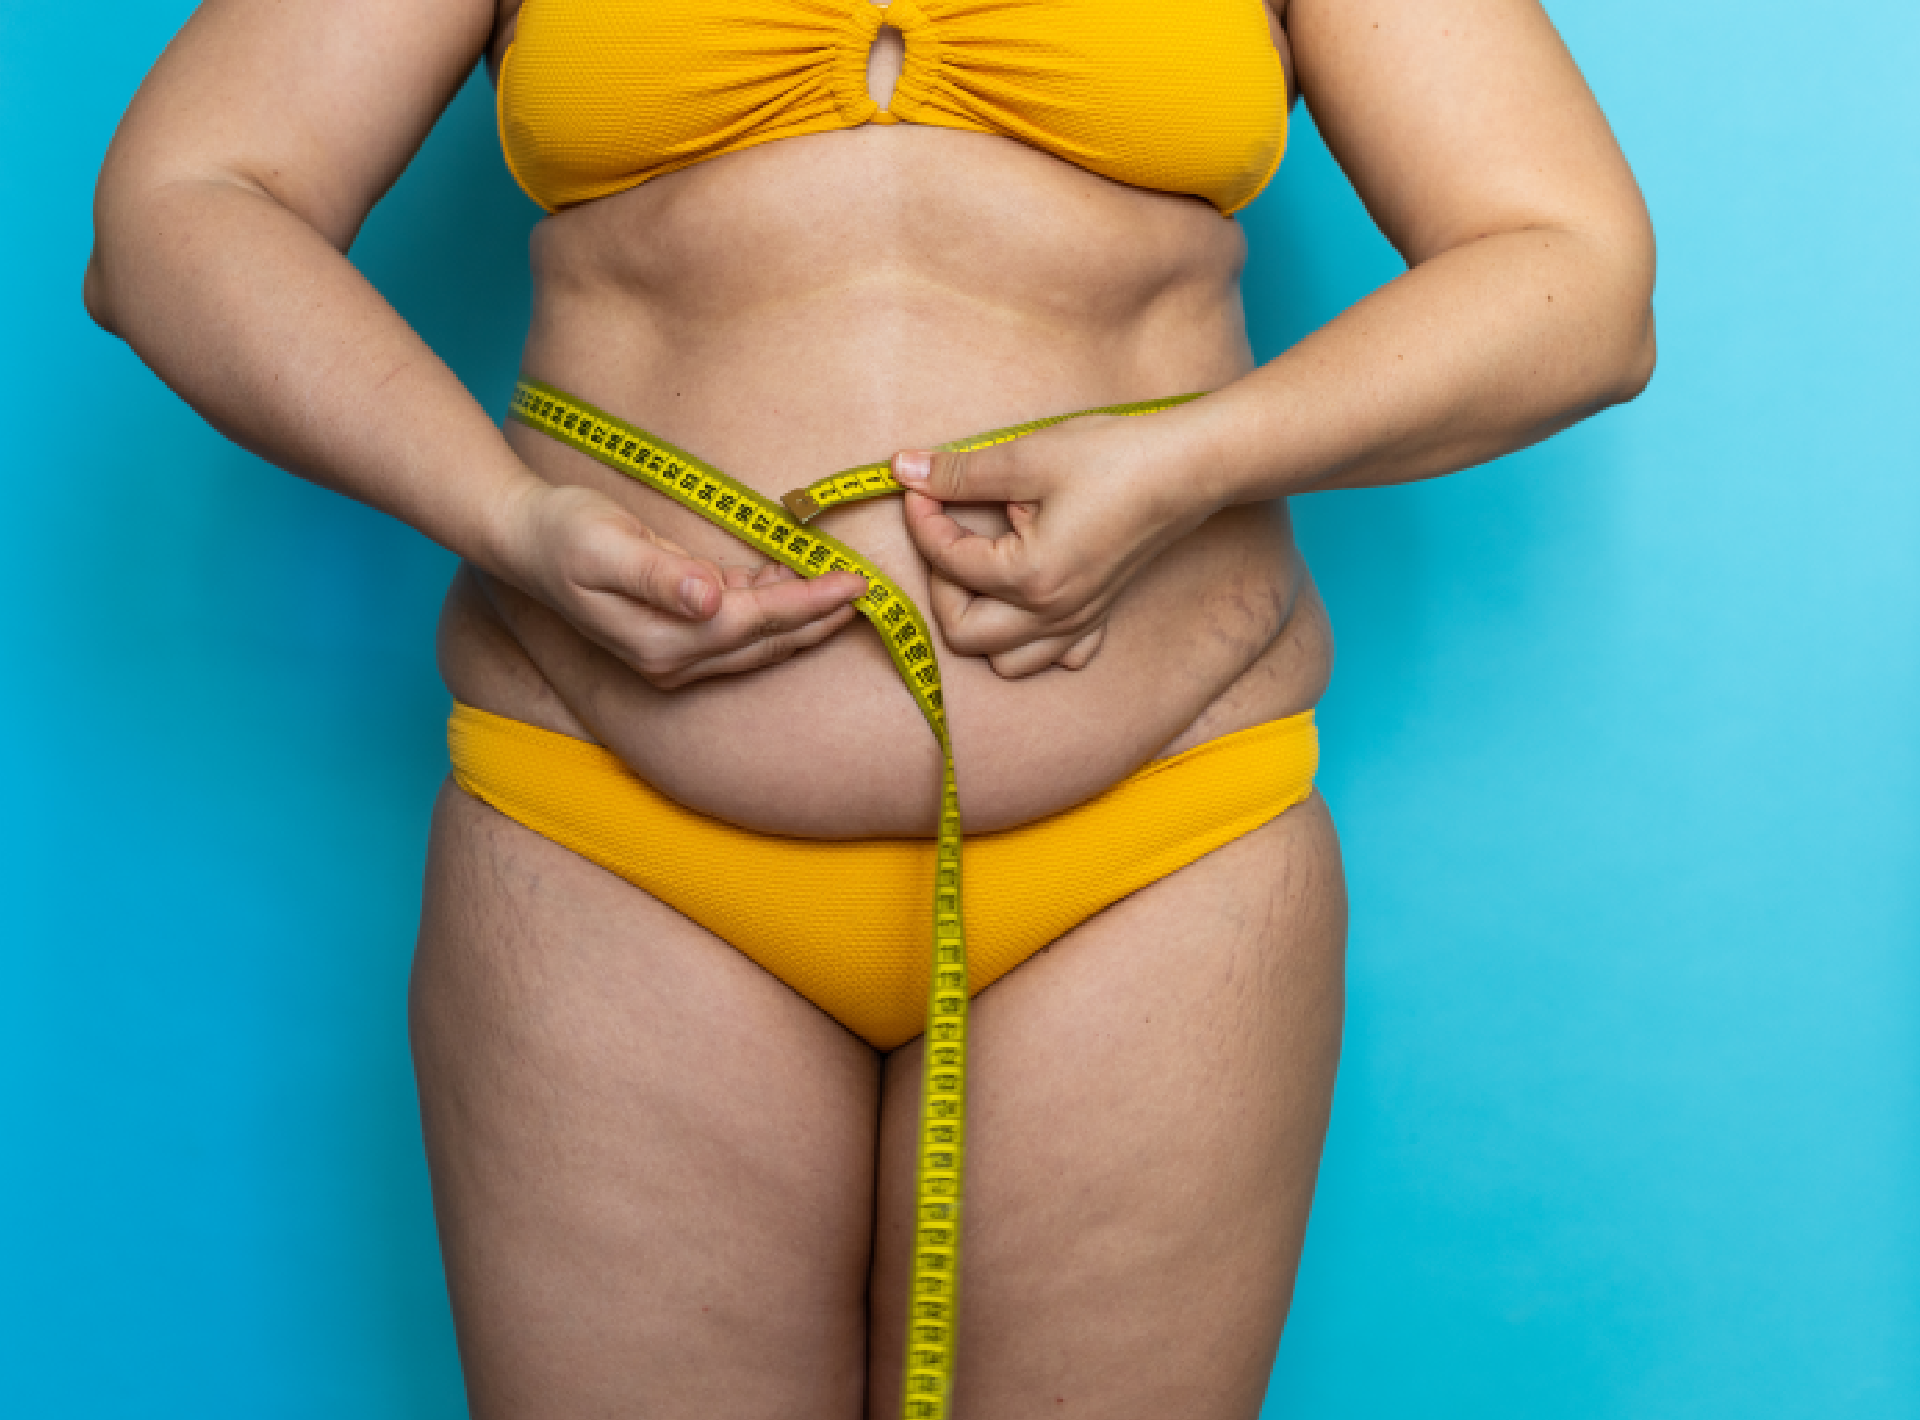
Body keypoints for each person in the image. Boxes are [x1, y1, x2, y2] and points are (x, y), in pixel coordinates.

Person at [85, 0, 1654, 1414]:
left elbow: (1579, 275)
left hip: (1157, 844)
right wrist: (503, 516)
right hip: (610, 842)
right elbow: (181, 202)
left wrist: (1192, 460)